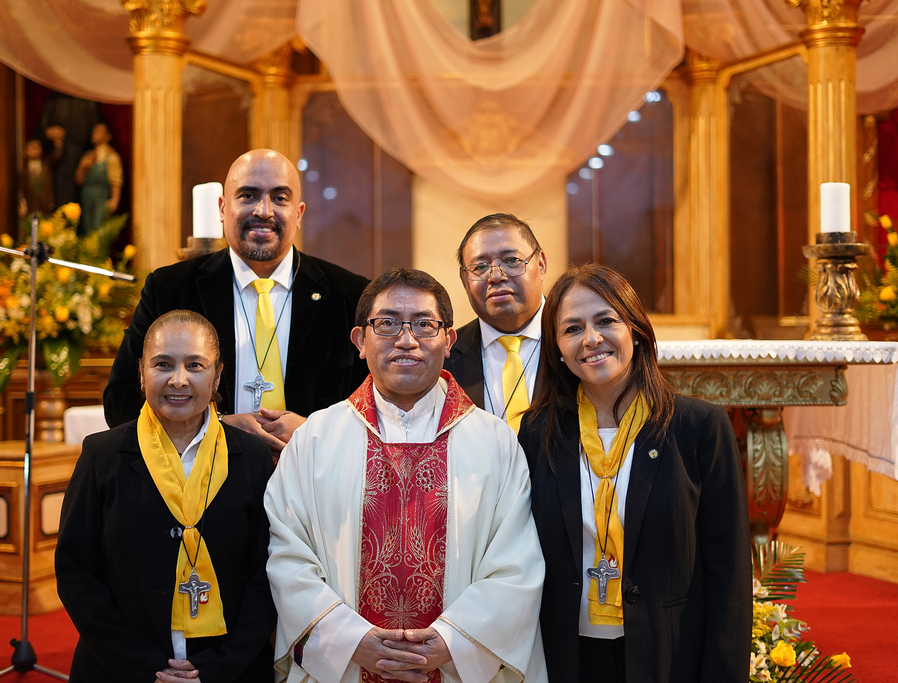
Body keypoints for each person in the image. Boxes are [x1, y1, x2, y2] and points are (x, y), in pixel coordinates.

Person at [265, 268, 547, 683]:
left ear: (448, 341)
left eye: (424, 324)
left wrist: (452, 641)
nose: (406, 339)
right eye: (388, 323)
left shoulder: (495, 442)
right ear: (360, 341)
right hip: (348, 667)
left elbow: (516, 566)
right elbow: (288, 556)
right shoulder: (316, 439)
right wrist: (350, 640)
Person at [517, 264, 752, 683]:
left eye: (606, 320)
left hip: (670, 653)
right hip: (565, 656)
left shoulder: (699, 427)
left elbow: (729, 572)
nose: (591, 339)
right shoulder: (538, 432)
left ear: (636, 330)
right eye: (572, 329)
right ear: (555, 346)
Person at [56, 310, 276, 682]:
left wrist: (222, 665)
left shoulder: (253, 459)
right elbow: (77, 573)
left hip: (231, 669)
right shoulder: (102, 455)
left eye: (195, 365)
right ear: (141, 374)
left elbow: (267, 574)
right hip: (118, 668)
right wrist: (144, 665)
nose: (179, 380)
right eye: (163, 364)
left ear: (218, 375)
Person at [103, 149, 370, 453]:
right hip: (203, 485)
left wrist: (314, 431)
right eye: (248, 195)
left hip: (316, 483)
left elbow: (381, 403)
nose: (264, 211)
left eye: (280, 198)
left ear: (299, 214)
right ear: (222, 208)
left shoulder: (350, 294)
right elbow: (120, 400)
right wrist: (215, 426)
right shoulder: (169, 289)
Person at [446, 213, 546, 433]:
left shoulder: (579, 341)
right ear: (465, 280)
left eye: (512, 261)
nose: (496, 276)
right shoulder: (444, 359)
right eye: (480, 267)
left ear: (541, 264)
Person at [75, 122, 123, 235]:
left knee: (99, 228)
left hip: (101, 195)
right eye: (94, 131)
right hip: (87, 195)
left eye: (99, 131)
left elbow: (116, 180)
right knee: (87, 227)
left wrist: (115, 200)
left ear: (107, 136)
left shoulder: (112, 157)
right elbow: (79, 181)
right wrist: (81, 167)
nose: (95, 134)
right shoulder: (88, 156)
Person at [18, 136, 61, 217]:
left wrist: (58, 143)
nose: (35, 150)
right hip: (31, 203)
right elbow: (21, 189)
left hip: (46, 203)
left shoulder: (46, 165)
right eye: (31, 148)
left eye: (37, 147)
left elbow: (56, 156)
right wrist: (22, 204)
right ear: (25, 152)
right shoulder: (24, 171)